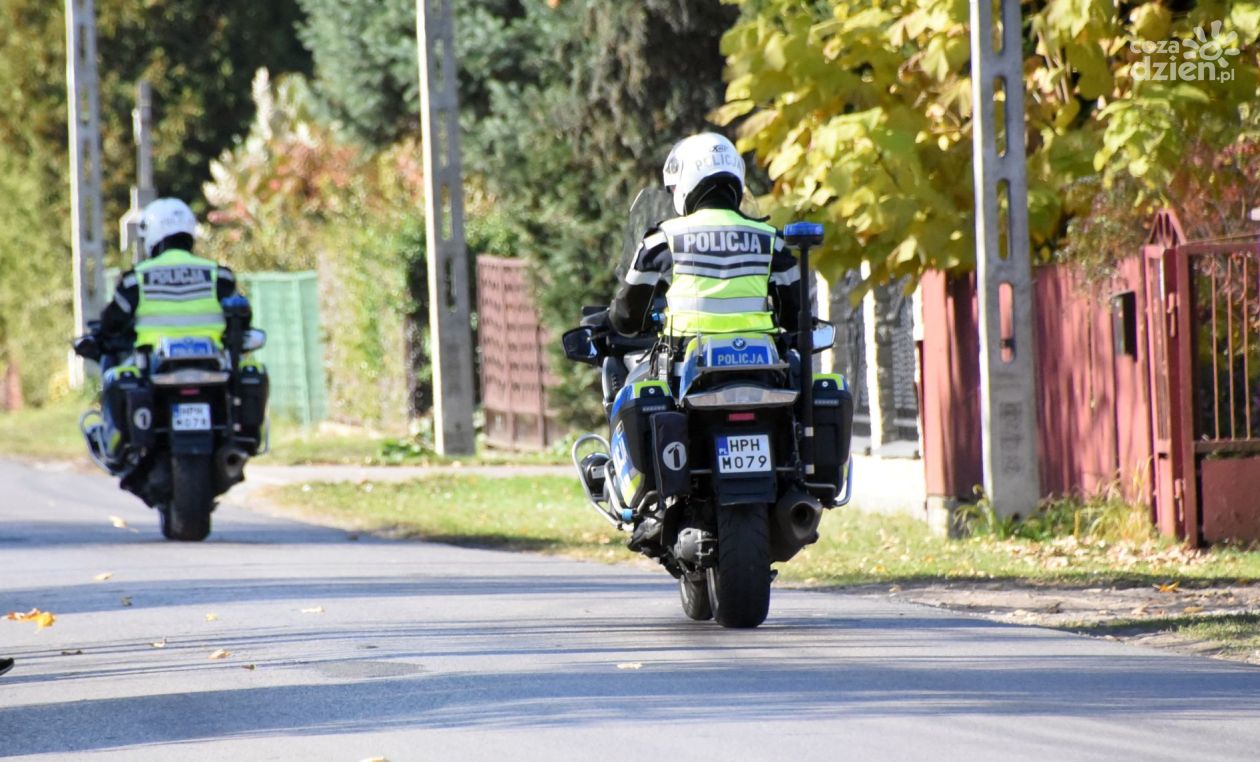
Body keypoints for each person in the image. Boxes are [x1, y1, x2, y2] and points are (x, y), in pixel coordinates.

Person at [607, 132, 806, 384]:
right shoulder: (771, 240)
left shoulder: (663, 240)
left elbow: (627, 317)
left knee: (637, 396)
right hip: (763, 371)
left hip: (685, 370)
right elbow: (796, 318)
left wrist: (613, 319)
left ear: (687, 181)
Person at [86, 198, 242, 470]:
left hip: (155, 365)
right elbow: (241, 316)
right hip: (212, 365)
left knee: (114, 378)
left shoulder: (138, 278)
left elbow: (113, 322)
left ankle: (114, 441)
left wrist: (98, 341)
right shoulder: (219, 275)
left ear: (152, 235)